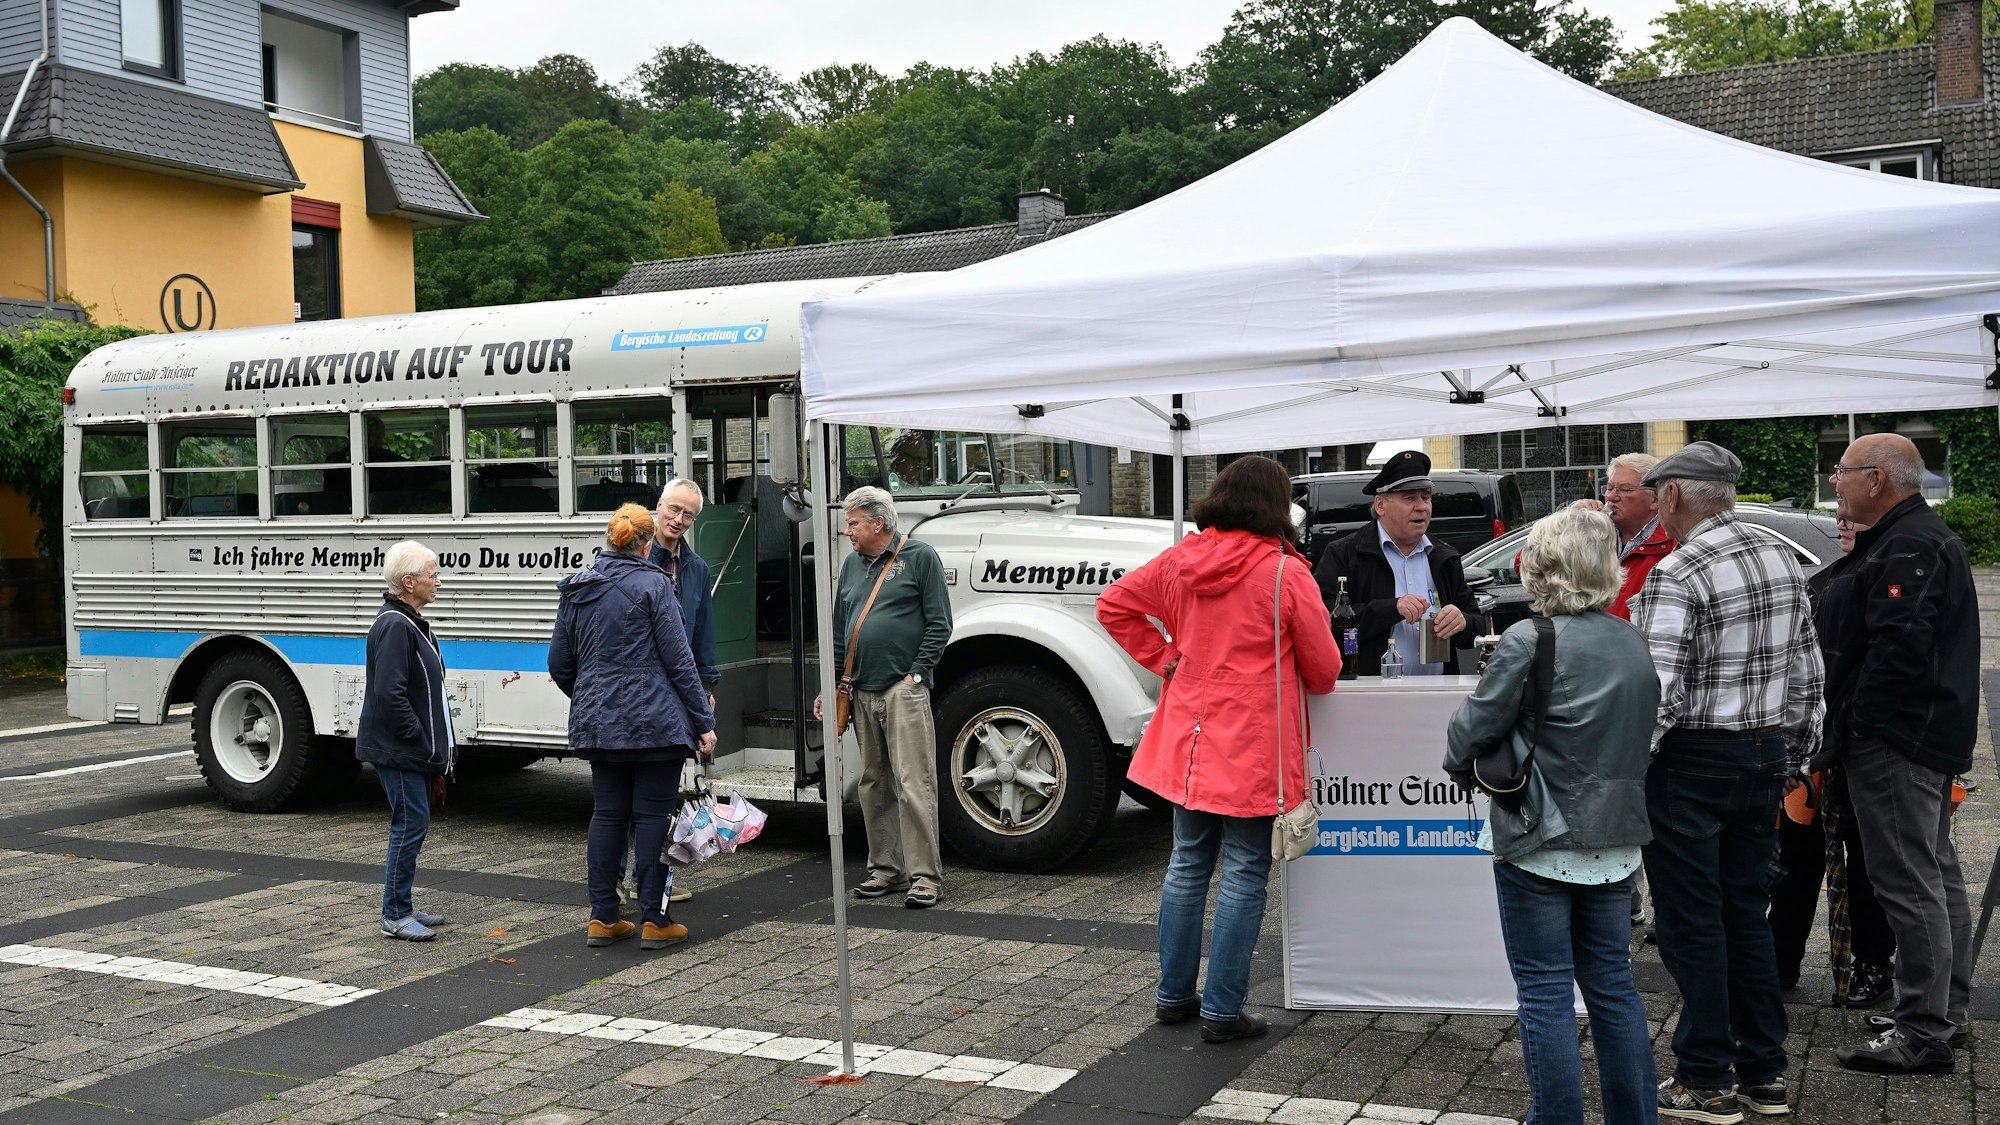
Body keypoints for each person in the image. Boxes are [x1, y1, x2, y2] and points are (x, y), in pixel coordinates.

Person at [1098, 456, 1342, 1044]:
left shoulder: (1182, 560)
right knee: (1244, 874)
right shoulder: (1286, 574)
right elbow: (1326, 670)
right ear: (1277, 507)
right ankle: (1223, 1011)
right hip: (1252, 748)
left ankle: (1173, 995)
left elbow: (1114, 605)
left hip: (1187, 740)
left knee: (1186, 867)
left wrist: (1164, 657)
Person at [1442, 506, 1658, 1125]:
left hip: (1542, 831)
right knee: (1613, 987)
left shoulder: (1530, 638)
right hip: (1617, 836)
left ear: (1542, 567)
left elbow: (1466, 737)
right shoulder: (1630, 637)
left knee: (1544, 992)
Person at [1629, 441, 1823, 1123]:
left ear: (1676, 495)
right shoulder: (1780, 557)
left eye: (1657, 496)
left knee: (1689, 923)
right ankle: (1763, 1070)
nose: (1654, 508)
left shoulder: (1679, 570)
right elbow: (1807, 674)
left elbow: (1657, 692)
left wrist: (1631, 770)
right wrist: (1791, 756)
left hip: (1692, 761)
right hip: (1764, 754)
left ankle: (1705, 1076)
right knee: (1743, 913)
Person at [1819, 434, 1979, 1074]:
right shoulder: (1913, 536)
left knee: (1910, 882)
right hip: (1919, 734)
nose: (1836, 483)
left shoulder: (1909, 542)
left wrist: (1857, 724)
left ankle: (1924, 1029)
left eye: (1843, 472)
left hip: (1898, 741)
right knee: (1934, 875)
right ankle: (1942, 1010)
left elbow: (1898, 649)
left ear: (1877, 479)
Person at [550, 504, 717, 950]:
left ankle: (603, 918)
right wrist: (703, 721)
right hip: (656, 725)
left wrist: (594, 698)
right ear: (646, 544)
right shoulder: (655, 585)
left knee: (607, 814)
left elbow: (559, 664)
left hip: (599, 725)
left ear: (612, 539)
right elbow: (679, 661)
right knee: (652, 820)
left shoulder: (576, 588)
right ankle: (654, 920)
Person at [1768, 516, 1896, 1006]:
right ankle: (1781, 959)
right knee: (1798, 856)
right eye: (1840, 515)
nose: (1843, 523)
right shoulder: (1822, 580)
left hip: (1860, 741)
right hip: (1817, 743)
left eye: (1855, 517)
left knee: (1867, 864)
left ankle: (1872, 967)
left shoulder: (1887, 577)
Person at [810, 486, 954, 909]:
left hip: (900, 690)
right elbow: (841, 631)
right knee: (874, 783)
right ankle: (886, 870)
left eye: (853, 523)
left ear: (879, 523)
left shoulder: (920, 557)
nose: (847, 531)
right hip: (859, 689)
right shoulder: (852, 566)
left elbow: (939, 623)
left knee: (914, 782)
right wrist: (832, 682)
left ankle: (925, 876)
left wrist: (917, 673)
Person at [627, 478, 720, 909]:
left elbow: (702, 632)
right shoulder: (637, 557)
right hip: (639, 689)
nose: (679, 520)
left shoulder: (697, 568)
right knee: (632, 794)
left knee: (662, 793)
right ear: (658, 507)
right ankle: (632, 881)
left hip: (678, 689)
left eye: (688, 515)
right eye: (673, 510)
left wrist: (705, 686)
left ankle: (650, 880)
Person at [357, 541, 454, 942]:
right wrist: (420, 739)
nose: (439, 581)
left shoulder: (409, 621)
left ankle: (404, 905)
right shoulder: (396, 625)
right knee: (409, 824)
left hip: (411, 750)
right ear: (409, 582)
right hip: (400, 751)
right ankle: (394, 914)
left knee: (414, 823)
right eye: (433, 574)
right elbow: (390, 695)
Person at [1312, 449, 1483, 674]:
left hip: (1437, 695)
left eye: (1426, 497)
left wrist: (1463, 622)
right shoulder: (1344, 554)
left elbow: (1478, 626)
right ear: (1380, 505)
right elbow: (1322, 622)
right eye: (1409, 498)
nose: (1421, 506)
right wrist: (1391, 609)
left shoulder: (1444, 556)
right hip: (1371, 695)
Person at [1573, 452, 1676, 620]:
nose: (1611, 497)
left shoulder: (1673, 544)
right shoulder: (1594, 533)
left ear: (1656, 499)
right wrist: (1571, 524)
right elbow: (1528, 566)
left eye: (1625, 489)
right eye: (1609, 488)